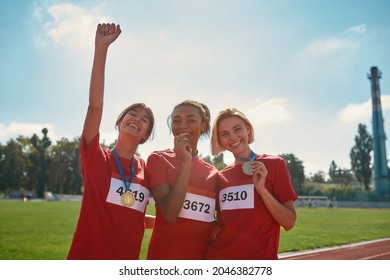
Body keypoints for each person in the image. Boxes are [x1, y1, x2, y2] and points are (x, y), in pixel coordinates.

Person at [67, 23, 155, 260]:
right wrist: (101, 49)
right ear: (119, 121)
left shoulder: (146, 169)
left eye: (144, 119)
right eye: (132, 114)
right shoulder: (96, 156)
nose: (137, 119)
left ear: (146, 134)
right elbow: (95, 106)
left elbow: (132, 215)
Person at [207, 108, 297, 260]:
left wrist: (262, 190)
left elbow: (289, 222)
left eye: (237, 129)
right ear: (220, 140)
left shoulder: (275, 165)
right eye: (225, 134)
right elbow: (222, 222)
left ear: (247, 129)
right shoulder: (221, 177)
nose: (233, 137)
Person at [146, 100, 218, 259]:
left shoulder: (213, 173)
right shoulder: (158, 159)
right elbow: (170, 214)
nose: (182, 125)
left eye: (191, 120)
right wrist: (187, 163)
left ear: (203, 126)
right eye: (176, 120)